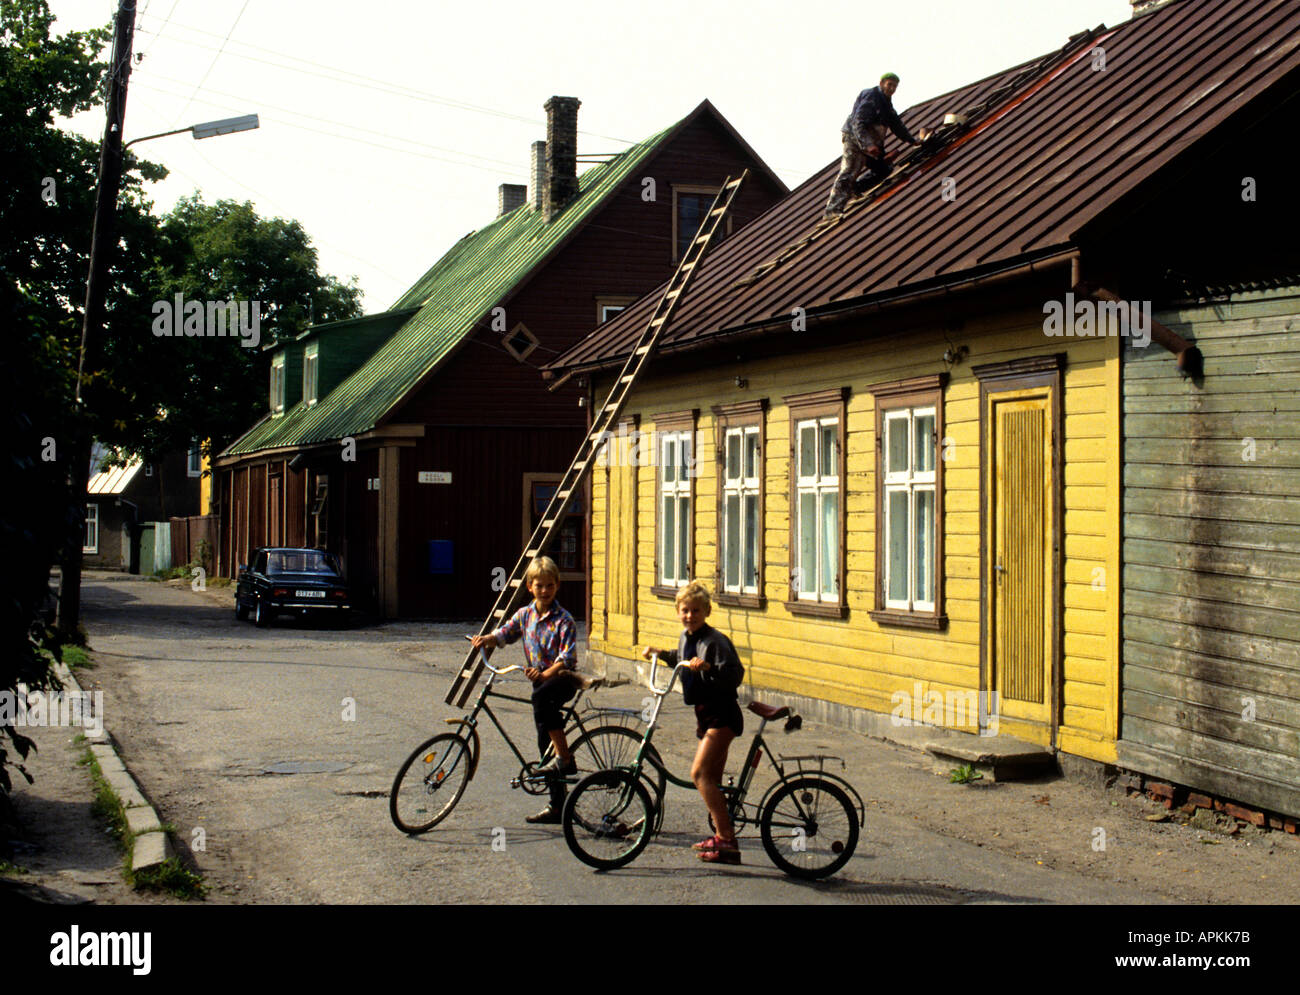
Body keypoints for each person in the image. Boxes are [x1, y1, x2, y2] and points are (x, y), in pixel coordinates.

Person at [641, 581, 745, 864]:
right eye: (685, 610)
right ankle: (724, 838)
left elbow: (735, 674)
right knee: (711, 780)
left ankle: (726, 839)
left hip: (722, 715)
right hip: (706, 714)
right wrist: (659, 653)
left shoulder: (715, 641)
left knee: (699, 775)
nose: (690, 615)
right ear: (678, 612)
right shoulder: (686, 637)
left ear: (707, 611)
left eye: (696, 610)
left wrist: (709, 668)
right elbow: (681, 658)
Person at [472, 556, 578, 824]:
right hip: (540, 684)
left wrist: (545, 673)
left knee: (543, 700)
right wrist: (487, 639)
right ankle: (557, 806)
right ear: (530, 586)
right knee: (544, 743)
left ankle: (565, 758)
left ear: (557, 586)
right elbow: (505, 633)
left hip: (561, 679)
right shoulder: (525, 614)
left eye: (550, 585)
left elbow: (567, 658)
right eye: (539, 585)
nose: (545, 590)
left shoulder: (564, 620)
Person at [823, 72, 929, 218]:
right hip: (855, 139)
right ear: (881, 83)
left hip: (871, 144)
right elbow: (858, 122)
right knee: (850, 171)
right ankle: (832, 211)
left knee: (884, 169)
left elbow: (896, 125)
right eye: (889, 84)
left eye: (894, 86)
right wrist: (867, 145)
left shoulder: (887, 105)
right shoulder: (871, 96)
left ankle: (856, 188)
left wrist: (912, 140)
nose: (891, 88)